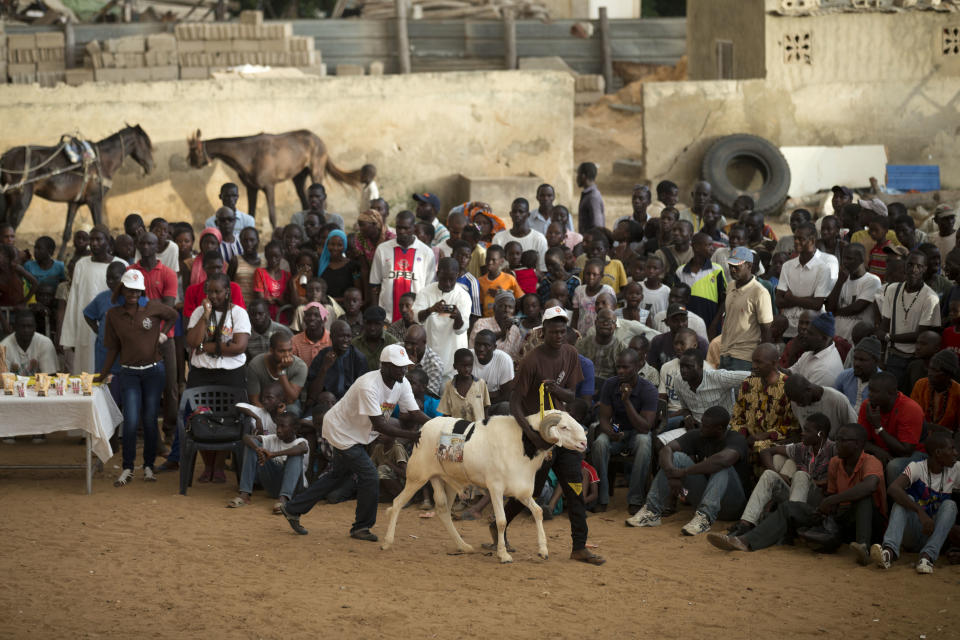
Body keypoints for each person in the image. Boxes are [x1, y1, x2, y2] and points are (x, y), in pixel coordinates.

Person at [279, 344, 430, 541]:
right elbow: (381, 425)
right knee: (370, 477)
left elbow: (414, 413)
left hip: (357, 432)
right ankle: (361, 527)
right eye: (399, 366)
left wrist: (437, 424)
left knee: (337, 474)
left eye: (405, 366)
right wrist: (413, 436)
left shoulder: (402, 382)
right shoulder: (368, 386)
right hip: (341, 432)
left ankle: (292, 509)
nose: (404, 369)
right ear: (384, 366)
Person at [493, 306, 603, 565]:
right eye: (553, 332)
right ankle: (498, 527)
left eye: (562, 331)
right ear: (542, 333)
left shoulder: (571, 354)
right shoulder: (532, 360)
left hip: (561, 431)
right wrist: (531, 435)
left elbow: (572, 397)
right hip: (539, 433)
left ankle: (579, 546)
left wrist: (558, 391)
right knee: (529, 490)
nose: (558, 336)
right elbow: (515, 402)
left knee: (574, 487)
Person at [708, 423, 886, 560]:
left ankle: (863, 547)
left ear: (858, 444)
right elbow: (831, 494)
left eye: (842, 440)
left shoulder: (871, 461)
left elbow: (869, 486)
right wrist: (824, 508)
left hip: (868, 522)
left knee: (864, 499)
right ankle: (744, 541)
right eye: (837, 439)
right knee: (789, 507)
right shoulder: (836, 463)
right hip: (840, 519)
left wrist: (831, 501)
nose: (837, 443)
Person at [98, 269, 178, 486]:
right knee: (131, 421)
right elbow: (113, 349)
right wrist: (101, 376)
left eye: (136, 289)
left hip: (154, 372)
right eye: (129, 289)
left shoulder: (151, 307)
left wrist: (164, 334)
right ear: (122, 289)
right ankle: (127, 467)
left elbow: (174, 315)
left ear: (141, 290)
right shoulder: (113, 315)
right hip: (129, 373)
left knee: (151, 421)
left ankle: (149, 466)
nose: (133, 293)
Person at [627, 406, 749, 536]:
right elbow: (666, 449)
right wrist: (671, 475)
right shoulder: (699, 434)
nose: (701, 426)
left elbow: (722, 460)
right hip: (704, 497)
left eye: (706, 426)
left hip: (733, 505)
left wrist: (684, 472)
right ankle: (651, 511)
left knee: (721, 466)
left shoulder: (736, 439)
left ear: (719, 429)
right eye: (702, 422)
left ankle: (704, 518)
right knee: (677, 457)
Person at [722, 413, 835, 538]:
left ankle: (791, 527)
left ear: (821, 434)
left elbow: (838, 480)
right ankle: (745, 524)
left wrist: (812, 481)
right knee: (769, 474)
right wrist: (777, 473)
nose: (803, 433)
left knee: (801, 475)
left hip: (818, 501)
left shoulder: (834, 450)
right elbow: (766, 451)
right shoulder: (801, 448)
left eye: (807, 431)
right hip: (797, 498)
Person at [184, 272, 251, 482]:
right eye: (210, 291)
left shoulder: (239, 313)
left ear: (227, 292)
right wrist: (205, 315)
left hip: (230, 375)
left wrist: (207, 346)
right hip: (201, 375)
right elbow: (193, 342)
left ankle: (220, 466)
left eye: (218, 291)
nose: (213, 296)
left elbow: (239, 347)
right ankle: (208, 465)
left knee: (227, 420)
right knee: (200, 418)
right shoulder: (198, 312)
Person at [871, 432, 960, 574]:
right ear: (938, 453)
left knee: (950, 506)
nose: (956, 453)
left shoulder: (956, 469)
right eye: (951, 449)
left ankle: (927, 557)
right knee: (905, 500)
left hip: (934, 534)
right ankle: (889, 553)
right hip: (913, 530)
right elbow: (893, 489)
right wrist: (920, 512)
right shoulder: (917, 467)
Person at [591, 349, 658, 514]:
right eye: (618, 367)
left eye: (625, 367)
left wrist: (626, 401)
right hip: (618, 427)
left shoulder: (648, 389)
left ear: (636, 366)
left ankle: (635, 499)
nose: (620, 371)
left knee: (644, 441)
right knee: (600, 442)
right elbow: (605, 419)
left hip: (638, 431)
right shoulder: (610, 384)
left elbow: (645, 426)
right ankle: (602, 497)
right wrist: (611, 432)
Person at [60, 225, 126, 374]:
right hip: (85, 328)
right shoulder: (81, 265)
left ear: (108, 241)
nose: (94, 243)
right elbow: (74, 301)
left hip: (114, 330)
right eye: (92, 240)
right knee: (86, 374)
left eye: (98, 239)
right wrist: (70, 337)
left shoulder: (121, 265)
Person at [880, 251, 941, 386]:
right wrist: (882, 356)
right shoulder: (892, 290)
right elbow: (884, 325)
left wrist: (889, 337)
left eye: (919, 266)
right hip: (894, 356)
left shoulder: (930, 297)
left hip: (915, 359)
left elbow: (921, 335)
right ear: (904, 266)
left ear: (925, 269)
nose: (914, 270)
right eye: (910, 265)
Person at [229, 411, 309, 512]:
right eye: (277, 426)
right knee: (251, 446)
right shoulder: (273, 439)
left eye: (283, 426)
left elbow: (302, 449)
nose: (278, 430)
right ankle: (244, 494)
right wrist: (258, 449)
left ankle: (284, 499)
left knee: (295, 455)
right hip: (273, 488)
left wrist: (273, 454)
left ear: (295, 429)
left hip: (295, 489)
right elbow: (246, 437)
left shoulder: (301, 441)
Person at [370, 210, 436, 323]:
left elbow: (429, 289)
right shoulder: (383, 249)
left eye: (406, 228)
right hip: (387, 318)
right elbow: (374, 286)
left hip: (416, 319)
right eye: (399, 228)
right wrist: (377, 316)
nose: (401, 231)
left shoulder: (426, 253)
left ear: (414, 228)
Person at [859, 371, 926, 481]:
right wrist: (878, 451)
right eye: (869, 390)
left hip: (915, 455)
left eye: (875, 391)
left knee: (894, 466)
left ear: (891, 393)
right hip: (882, 450)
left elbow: (906, 451)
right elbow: (861, 440)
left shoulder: (910, 409)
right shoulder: (867, 405)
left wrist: (878, 427)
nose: (869, 395)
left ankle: (894, 497)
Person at [412, 257, 471, 375]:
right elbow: (416, 317)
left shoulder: (463, 296)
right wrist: (430, 310)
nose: (447, 283)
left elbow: (461, 329)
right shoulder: (425, 292)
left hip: (453, 356)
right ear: (438, 274)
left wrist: (458, 317)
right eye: (444, 279)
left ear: (457, 275)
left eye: (451, 280)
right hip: (430, 355)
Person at [776, 223, 835, 339]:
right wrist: (808, 299)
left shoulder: (823, 269)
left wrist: (791, 298)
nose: (796, 242)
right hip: (788, 329)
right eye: (795, 238)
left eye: (801, 239)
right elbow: (778, 301)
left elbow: (817, 304)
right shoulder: (787, 266)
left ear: (812, 241)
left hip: (810, 330)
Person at [730, 343, 797, 444]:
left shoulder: (788, 387)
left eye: (759, 362)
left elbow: (793, 427)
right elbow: (737, 417)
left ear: (774, 364)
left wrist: (764, 436)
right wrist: (742, 438)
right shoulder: (748, 383)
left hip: (774, 443)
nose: (753, 366)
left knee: (760, 449)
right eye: (753, 361)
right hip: (747, 440)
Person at [719, 247, 773, 371]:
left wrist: (761, 360)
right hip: (725, 353)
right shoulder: (731, 286)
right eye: (730, 265)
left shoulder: (760, 292)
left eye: (736, 266)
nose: (732, 269)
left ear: (749, 265)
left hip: (745, 357)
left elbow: (766, 330)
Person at [674, 349, 751, 424]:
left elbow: (750, 376)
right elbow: (685, 408)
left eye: (688, 367)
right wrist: (688, 417)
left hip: (723, 429)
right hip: (696, 427)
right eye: (681, 366)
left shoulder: (718, 377)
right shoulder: (678, 381)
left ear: (701, 366)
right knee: (664, 429)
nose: (683, 370)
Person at [826, 243, 881, 343]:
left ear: (861, 259)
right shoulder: (842, 280)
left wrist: (836, 312)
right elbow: (829, 308)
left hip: (857, 342)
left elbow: (856, 308)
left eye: (849, 258)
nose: (845, 262)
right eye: (844, 258)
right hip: (837, 339)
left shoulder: (872, 280)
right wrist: (839, 281)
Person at [306, 320, 368, 405]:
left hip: (350, 403)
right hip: (326, 402)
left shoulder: (359, 358)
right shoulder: (323, 355)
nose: (346, 340)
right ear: (331, 337)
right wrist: (324, 367)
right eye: (341, 336)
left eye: (348, 336)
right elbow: (312, 394)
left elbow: (363, 390)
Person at [788, 312, 845, 388]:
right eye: (807, 331)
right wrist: (774, 369)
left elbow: (804, 397)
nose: (805, 335)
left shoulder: (825, 369)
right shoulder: (812, 351)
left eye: (810, 334)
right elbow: (791, 372)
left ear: (824, 339)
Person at [909, 349, 960, 434]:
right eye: (930, 368)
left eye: (935, 371)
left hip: (946, 441)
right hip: (919, 434)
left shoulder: (957, 392)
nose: (930, 373)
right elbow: (912, 415)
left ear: (948, 375)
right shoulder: (921, 385)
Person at [492, 198, 548, 272]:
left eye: (521, 212)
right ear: (510, 214)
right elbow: (493, 268)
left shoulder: (539, 238)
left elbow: (543, 269)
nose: (517, 214)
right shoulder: (499, 238)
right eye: (514, 212)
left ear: (528, 215)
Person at [647, 303, 708, 370]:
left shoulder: (701, 343)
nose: (681, 324)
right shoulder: (658, 341)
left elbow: (705, 369)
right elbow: (651, 368)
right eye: (675, 320)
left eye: (683, 320)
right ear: (667, 322)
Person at [437, 349, 490, 423]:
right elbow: (446, 413)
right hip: (457, 430)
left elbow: (486, 407)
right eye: (463, 366)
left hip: (477, 429)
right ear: (455, 366)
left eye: (470, 365)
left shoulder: (481, 384)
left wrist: (486, 427)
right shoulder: (449, 386)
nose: (467, 369)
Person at [469, 290, 524, 362]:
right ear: (494, 308)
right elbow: (477, 347)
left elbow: (516, 357)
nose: (506, 310)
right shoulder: (481, 323)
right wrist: (502, 333)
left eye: (510, 307)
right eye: (502, 306)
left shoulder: (515, 329)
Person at [1, 309, 58, 376]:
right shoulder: (4, 346)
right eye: (22, 326)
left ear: (35, 327)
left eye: (30, 326)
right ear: (15, 327)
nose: (26, 330)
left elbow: (50, 376)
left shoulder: (45, 343)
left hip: (41, 386)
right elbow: (2, 380)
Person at [834, 336, 883, 412]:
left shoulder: (883, 384)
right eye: (855, 358)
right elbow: (834, 403)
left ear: (875, 361)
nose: (856, 364)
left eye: (862, 360)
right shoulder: (844, 377)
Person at [576, 309, 624, 385]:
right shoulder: (581, 344)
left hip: (610, 387)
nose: (605, 323)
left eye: (610, 321)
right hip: (583, 384)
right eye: (602, 319)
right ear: (595, 322)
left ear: (615, 326)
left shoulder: (621, 348)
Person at [477, 244, 524, 318]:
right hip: (487, 320)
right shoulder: (480, 281)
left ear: (501, 261)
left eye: (493, 260)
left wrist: (502, 295)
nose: (490, 262)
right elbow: (480, 305)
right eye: (488, 259)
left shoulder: (509, 279)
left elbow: (520, 300)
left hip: (505, 319)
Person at [471, 329, 514, 409]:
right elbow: (461, 390)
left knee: (506, 407)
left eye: (486, 345)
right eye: (477, 344)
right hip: (470, 404)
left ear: (494, 347)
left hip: (493, 404)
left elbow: (506, 395)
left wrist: (481, 399)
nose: (481, 349)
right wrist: (493, 393)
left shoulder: (504, 359)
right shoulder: (468, 357)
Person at [572, 258, 615, 335]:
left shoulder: (607, 291)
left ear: (601, 276)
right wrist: (574, 332)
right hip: (582, 334)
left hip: (600, 334)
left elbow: (612, 314)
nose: (591, 277)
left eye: (594, 274)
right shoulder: (579, 290)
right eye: (588, 274)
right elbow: (575, 316)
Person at [403, 324, 445, 398]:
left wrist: (413, 372)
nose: (408, 347)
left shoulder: (435, 364)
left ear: (424, 342)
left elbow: (428, 396)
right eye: (406, 342)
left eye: (413, 344)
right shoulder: (397, 350)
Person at [655, 220, 694, 287]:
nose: (676, 233)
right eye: (674, 230)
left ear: (691, 235)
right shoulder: (661, 253)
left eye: (681, 230)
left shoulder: (697, 254)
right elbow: (657, 281)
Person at [576, 161, 604, 234]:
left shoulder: (593, 197)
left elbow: (597, 225)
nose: (577, 177)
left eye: (578, 174)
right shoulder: (588, 195)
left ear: (583, 176)